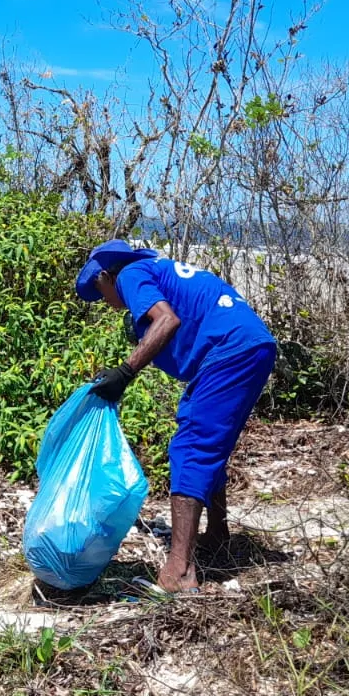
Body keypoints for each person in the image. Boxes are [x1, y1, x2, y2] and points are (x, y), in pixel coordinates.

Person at [75, 240, 277, 592]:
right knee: (207, 445)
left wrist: (124, 373)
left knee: (191, 448)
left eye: (99, 290)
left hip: (231, 350)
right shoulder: (157, 271)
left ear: (107, 275)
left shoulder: (131, 274)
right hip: (248, 346)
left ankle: (179, 572)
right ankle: (216, 538)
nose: (106, 301)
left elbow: (167, 321)